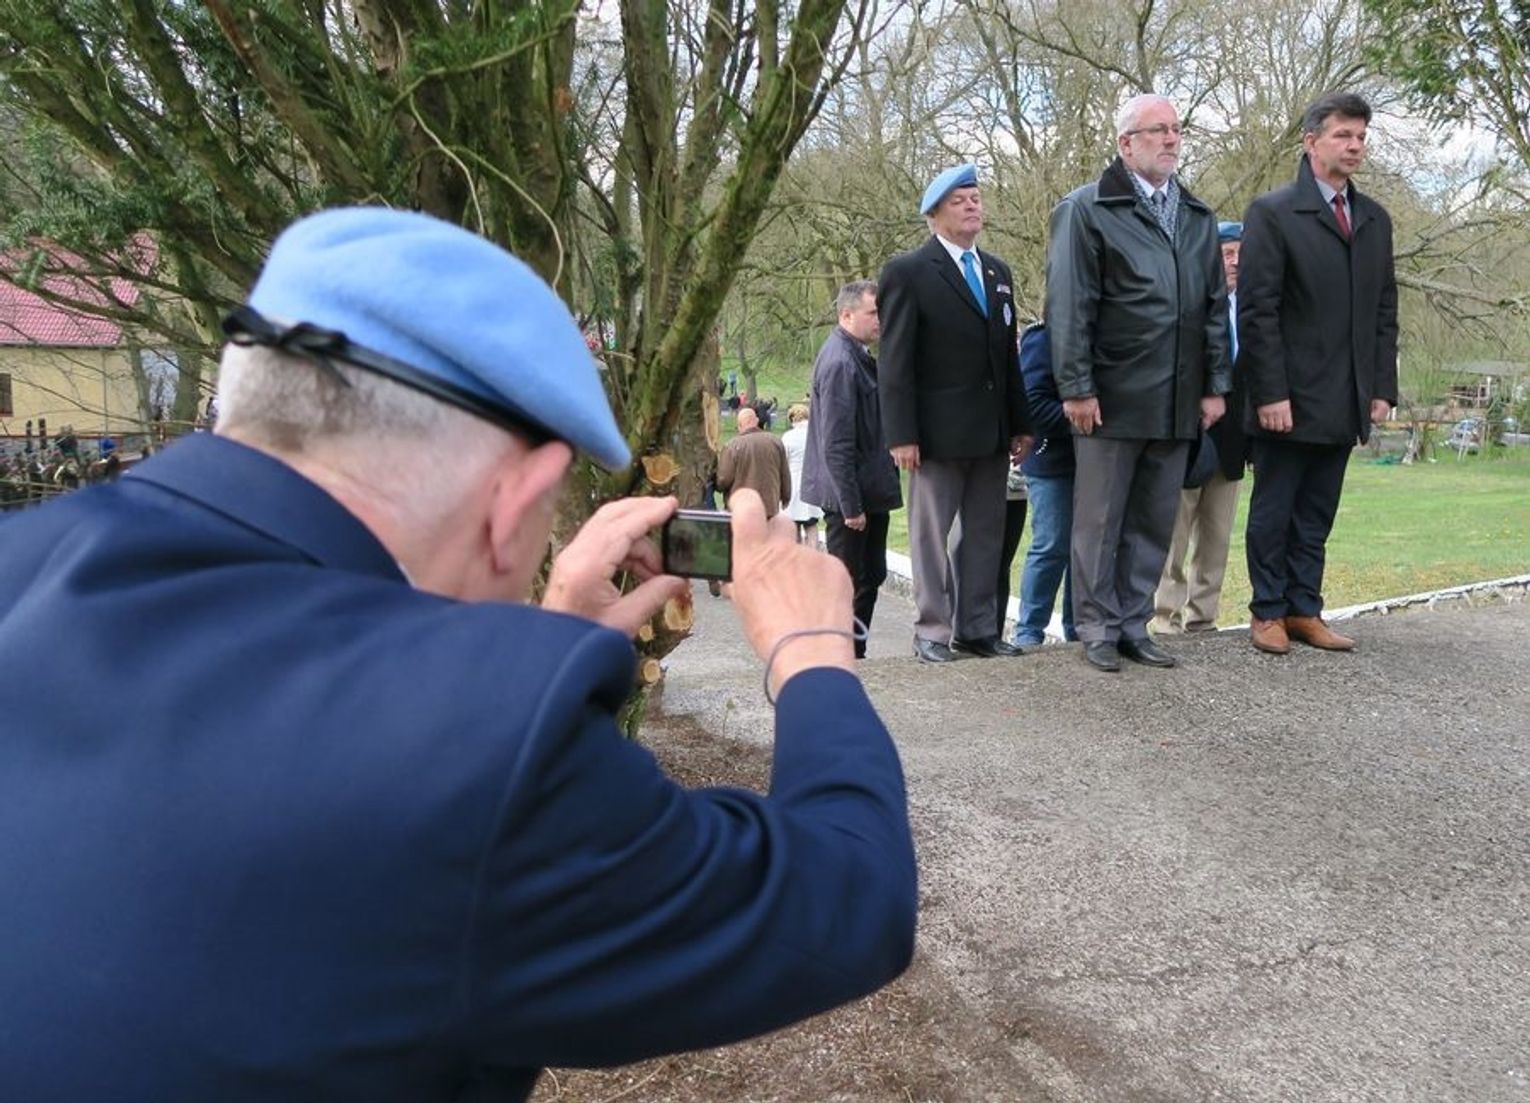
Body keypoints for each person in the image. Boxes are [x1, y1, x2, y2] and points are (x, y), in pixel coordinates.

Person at [0, 208, 916, 1102]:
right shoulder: (477, 748)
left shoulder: (26, 564)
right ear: (516, 501)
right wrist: (809, 647)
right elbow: (848, 897)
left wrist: (532, 664)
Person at [1046, 93, 1231, 673]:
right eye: (1158, 130)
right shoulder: (1086, 209)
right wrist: (1076, 386)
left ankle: (1132, 623)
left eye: (1176, 129)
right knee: (1100, 521)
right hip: (1111, 395)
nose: (1172, 139)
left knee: (1153, 520)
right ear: (1126, 144)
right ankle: (1096, 626)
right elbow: (1069, 304)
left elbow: (1212, 306)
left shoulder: (1197, 216)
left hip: (1177, 397)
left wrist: (1214, 383)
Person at [1239, 92, 1398, 654]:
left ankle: (1304, 608)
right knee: (1274, 509)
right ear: (1311, 142)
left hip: (1345, 396)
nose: (1354, 146)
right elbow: (1256, 310)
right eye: (1342, 136)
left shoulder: (1374, 219)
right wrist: (1270, 393)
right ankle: (1267, 611)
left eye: (1361, 137)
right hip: (1286, 397)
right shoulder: (1273, 213)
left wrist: (1381, 387)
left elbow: (1384, 310)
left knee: (1316, 512)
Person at [878, 163, 1033, 663]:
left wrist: (1021, 422)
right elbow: (895, 361)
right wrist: (901, 434)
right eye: (959, 200)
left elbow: (1007, 358)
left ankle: (977, 629)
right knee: (931, 536)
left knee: (985, 536)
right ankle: (931, 631)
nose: (971, 206)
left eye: (976, 198)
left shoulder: (997, 272)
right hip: (935, 436)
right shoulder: (908, 271)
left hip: (990, 433)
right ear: (934, 214)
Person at [1152, 220, 1250, 634]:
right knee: (1173, 535)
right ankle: (1165, 618)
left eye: (1241, 253)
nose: (1236, 261)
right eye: (1227, 253)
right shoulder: (1188, 305)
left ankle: (1203, 618)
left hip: (1233, 442)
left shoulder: (1253, 311)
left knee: (1217, 536)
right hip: (1187, 436)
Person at [801, 280, 903, 659]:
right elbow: (836, 442)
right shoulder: (841, 363)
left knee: (868, 576)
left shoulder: (855, 355)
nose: (880, 320)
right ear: (847, 315)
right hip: (852, 498)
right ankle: (840, 656)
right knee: (847, 582)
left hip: (867, 491)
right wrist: (851, 505)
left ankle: (853, 653)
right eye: (873, 313)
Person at [1012, 322, 1078, 650]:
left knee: (1086, 552)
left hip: (1095, 463)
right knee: (1052, 545)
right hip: (1052, 460)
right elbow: (1034, 404)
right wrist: (1084, 416)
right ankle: (1029, 631)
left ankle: (1078, 629)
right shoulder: (1043, 338)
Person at [717, 405, 791, 518]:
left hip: (741, 509)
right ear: (756, 421)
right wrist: (786, 497)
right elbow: (784, 474)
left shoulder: (732, 446)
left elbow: (723, 480)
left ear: (740, 425)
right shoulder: (775, 442)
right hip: (769, 507)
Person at [781, 402, 824, 544]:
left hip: (793, 482)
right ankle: (813, 552)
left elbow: (784, 461)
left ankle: (797, 554)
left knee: (793, 525)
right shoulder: (816, 435)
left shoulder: (788, 437)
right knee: (811, 524)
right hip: (813, 482)